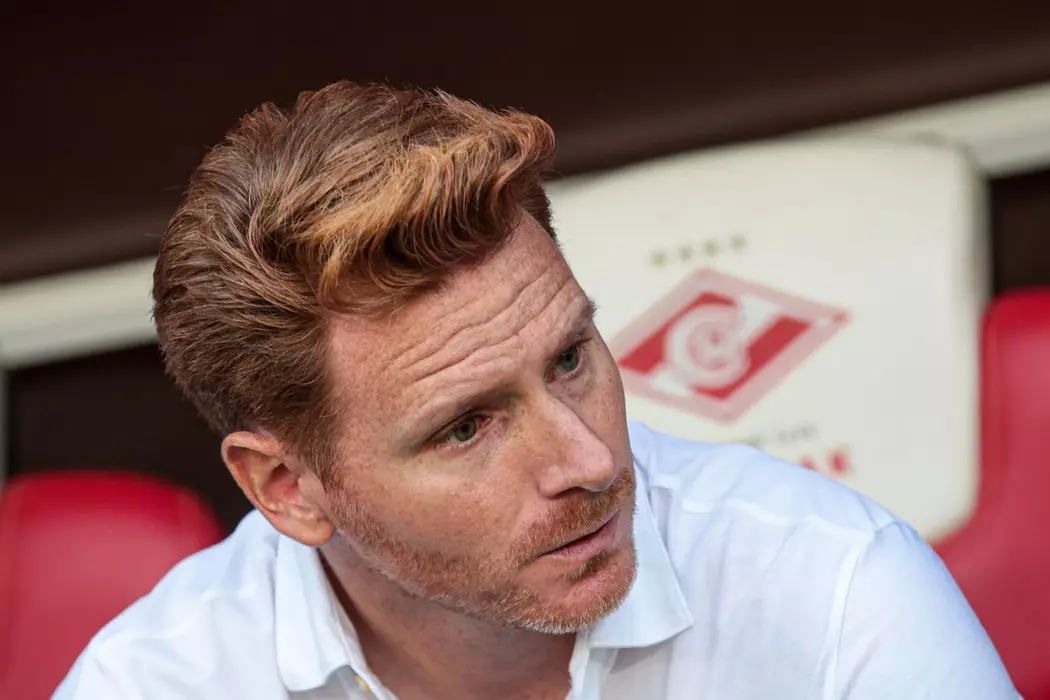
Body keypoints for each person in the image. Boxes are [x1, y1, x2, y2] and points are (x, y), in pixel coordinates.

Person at [54, 80, 1019, 700]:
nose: (591, 461)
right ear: (288, 489)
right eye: (465, 428)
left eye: (569, 360)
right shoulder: (154, 684)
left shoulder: (835, 590)